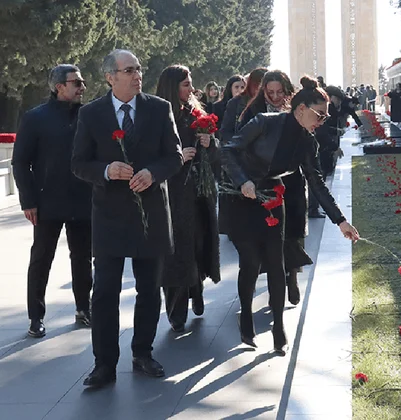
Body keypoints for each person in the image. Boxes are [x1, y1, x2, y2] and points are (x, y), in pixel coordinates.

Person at [221, 76, 360, 355]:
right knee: (250, 262)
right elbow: (228, 150)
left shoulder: (308, 142)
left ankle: (278, 330)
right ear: (300, 109)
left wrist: (341, 221)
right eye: (319, 114)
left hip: (273, 197)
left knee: (277, 262)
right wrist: (242, 181)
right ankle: (246, 318)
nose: (322, 120)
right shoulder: (264, 123)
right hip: (242, 198)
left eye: (325, 115)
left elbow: (316, 181)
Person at [71, 49, 183, 388]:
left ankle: (143, 353)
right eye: (129, 70)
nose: (137, 75)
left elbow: (175, 156)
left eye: (139, 69)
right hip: (109, 217)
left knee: (149, 289)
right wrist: (106, 170)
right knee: (104, 291)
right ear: (110, 77)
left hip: (150, 212)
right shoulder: (91, 114)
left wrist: (153, 172)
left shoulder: (159, 108)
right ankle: (104, 364)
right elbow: (78, 163)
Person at [12, 64, 93, 338]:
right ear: (59, 87)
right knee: (41, 258)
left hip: (83, 200)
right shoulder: (36, 118)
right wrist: (28, 201)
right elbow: (21, 162)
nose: (82, 87)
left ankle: (84, 307)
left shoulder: (88, 115)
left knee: (83, 258)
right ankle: (36, 317)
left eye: (81, 82)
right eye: (76, 82)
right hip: (47, 202)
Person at [155, 65, 221, 333]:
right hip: (172, 193)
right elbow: (152, 154)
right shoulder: (159, 114)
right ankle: (176, 308)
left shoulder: (197, 113)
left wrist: (209, 142)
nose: (191, 90)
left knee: (198, 244)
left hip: (198, 192)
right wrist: (179, 156)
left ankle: (197, 289)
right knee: (175, 253)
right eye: (185, 85)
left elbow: (218, 153)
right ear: (172, 87)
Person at [238, 70, 307, 306]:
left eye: (280, 92)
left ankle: (293, 276)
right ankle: (275, 288)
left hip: (293, 181)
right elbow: (241, 146)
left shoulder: (298, 111)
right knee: (271, 236)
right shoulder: (254, 113)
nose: (276, 97)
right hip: (265, 183)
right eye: (271, 93)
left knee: (293, 232)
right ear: (263, 92)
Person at [217, 68, 267, 236]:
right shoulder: (237, 103)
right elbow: (225, 132)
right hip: (241, 161)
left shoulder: (272, 103)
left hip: (265, 166)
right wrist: (240, 144)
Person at [307, 85, 363, 219]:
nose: (339, 102)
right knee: (316, 179)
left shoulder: (327, 107)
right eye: (337, 99)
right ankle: (313, 208)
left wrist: (337, 132)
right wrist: (334, 147)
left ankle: (317, 206)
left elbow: (326, 128)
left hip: (320, 147)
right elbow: (321, 132)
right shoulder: (322, 108)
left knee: (320, 177)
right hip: (318, 148)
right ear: (331, 97)